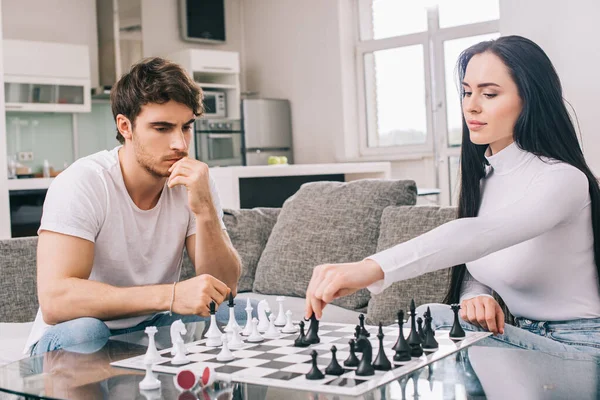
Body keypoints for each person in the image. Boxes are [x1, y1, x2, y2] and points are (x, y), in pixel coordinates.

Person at [304, 35, 600, 356]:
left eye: (489, 93)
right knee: (433, 323)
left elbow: (481, 235)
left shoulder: (564, 179)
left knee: (437, 320)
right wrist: (476, 295)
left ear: (530, 100)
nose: (471, 105)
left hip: (580, 346)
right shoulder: (487, 179)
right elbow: (481, 261)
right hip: (529, 340)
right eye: (466, 91)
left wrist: (372, 268)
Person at [25, 57, 252, 356]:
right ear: (125, 126)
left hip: (154, 325)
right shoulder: (84, 182)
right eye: (162, 128)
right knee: (87, 332)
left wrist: (205, 211)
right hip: (74, 334)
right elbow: (56, 301)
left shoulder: (194, 179)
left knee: (243, 311)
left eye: (186, 127)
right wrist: (170, 295)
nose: (180, 145)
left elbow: (225, 288)